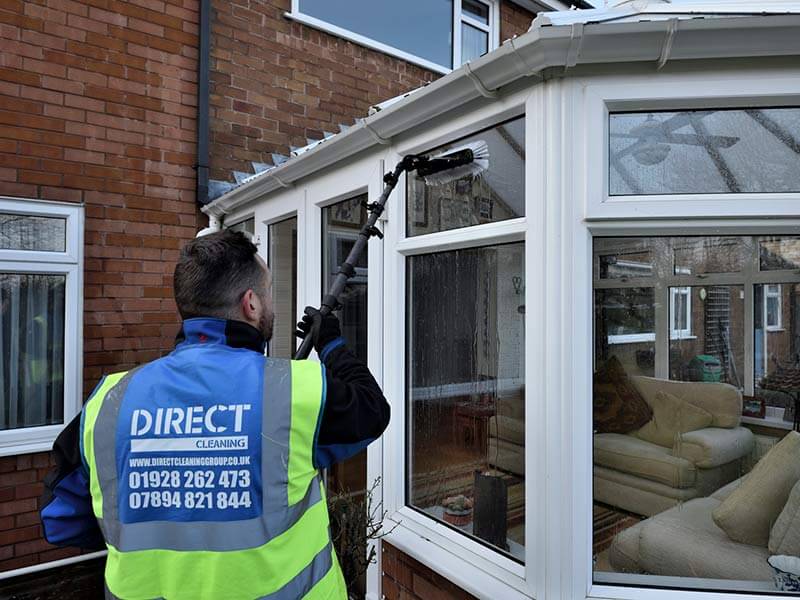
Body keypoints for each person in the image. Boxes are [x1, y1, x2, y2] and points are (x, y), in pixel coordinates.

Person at [40, 230, 389, 600]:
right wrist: (331, 343)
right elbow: (372, 409)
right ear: (250, 303)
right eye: (268, 292)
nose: (271, 302)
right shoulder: (293, 391)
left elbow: (61, 519)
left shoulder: (109, 402)